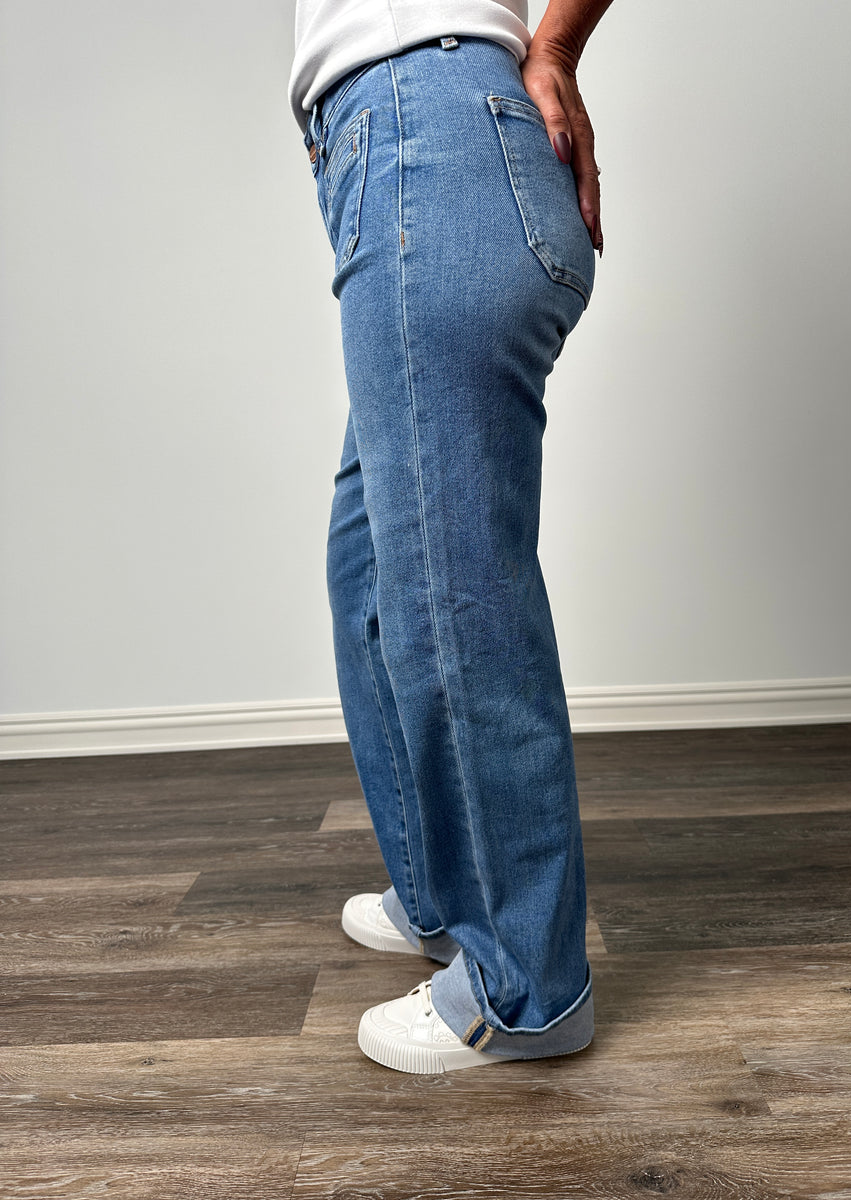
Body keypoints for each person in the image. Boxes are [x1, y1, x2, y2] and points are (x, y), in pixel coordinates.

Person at [287, 0, 613, 1073]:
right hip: (422, 151)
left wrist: (555, 45)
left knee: (449, 584)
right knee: (372, 566)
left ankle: (526, 986)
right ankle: (438, 892)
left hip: (429, 144)